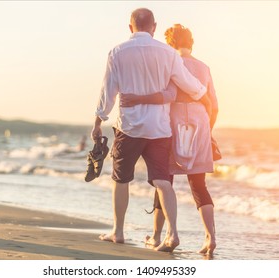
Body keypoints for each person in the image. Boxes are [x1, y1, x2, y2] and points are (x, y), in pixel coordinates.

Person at [91, 8, 210, 252]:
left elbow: (108, 91)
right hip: (159, 128)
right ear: (154, 27)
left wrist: (98, 120)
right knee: (163, 181)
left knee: (120, 179)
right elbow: (191, 86)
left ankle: (119, 231)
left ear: (130, 27)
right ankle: (173, 234)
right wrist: (200, 92)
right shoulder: (168, 53)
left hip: (130, 127)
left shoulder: (117, 52)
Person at [120, 24, 218, 255]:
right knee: (198, 183)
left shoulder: (168, 63)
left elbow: (165, 95)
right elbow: (213, 105)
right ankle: (210, 238)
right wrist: (208, 131)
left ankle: (156, 236)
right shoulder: (204, 67)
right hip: (200, 121)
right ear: (190, 42)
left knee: (164, 180)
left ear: (170, 44)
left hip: (172, 120)